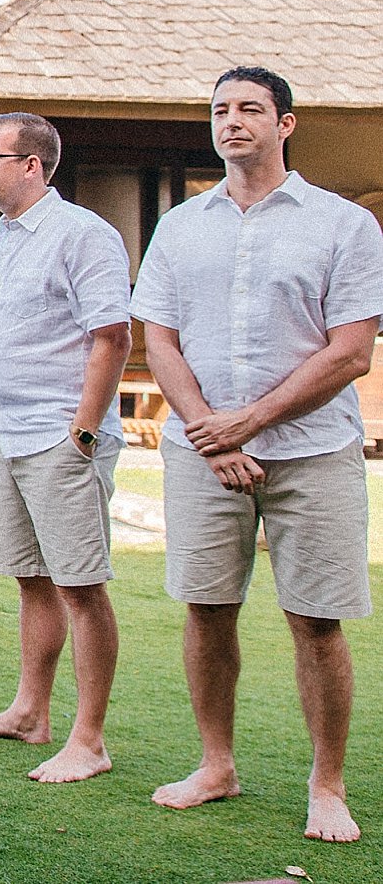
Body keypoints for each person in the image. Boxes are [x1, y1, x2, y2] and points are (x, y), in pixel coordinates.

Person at [133, 67, 381, 844]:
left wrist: (251, 420)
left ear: (286, 124)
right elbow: (159, 339)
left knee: (316, 620)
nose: (231, 121)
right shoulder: (181, 225)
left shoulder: (344, 224)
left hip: (313, 451)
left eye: (249, 109)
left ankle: (328, 784)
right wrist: (211, 430)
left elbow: (351, 353)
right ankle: (216, 764)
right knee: (207, 608)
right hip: (203, 451)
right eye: (219, 110)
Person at [0, 112, 131, 783]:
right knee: (32, 579)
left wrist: (81, 429)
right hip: (7, 432)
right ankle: (30, 712)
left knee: (81, 586)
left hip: (60, 436)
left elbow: (113, 335)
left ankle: (90, 739)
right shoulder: (5, 238)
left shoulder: (82, 234)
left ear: (32, 165)